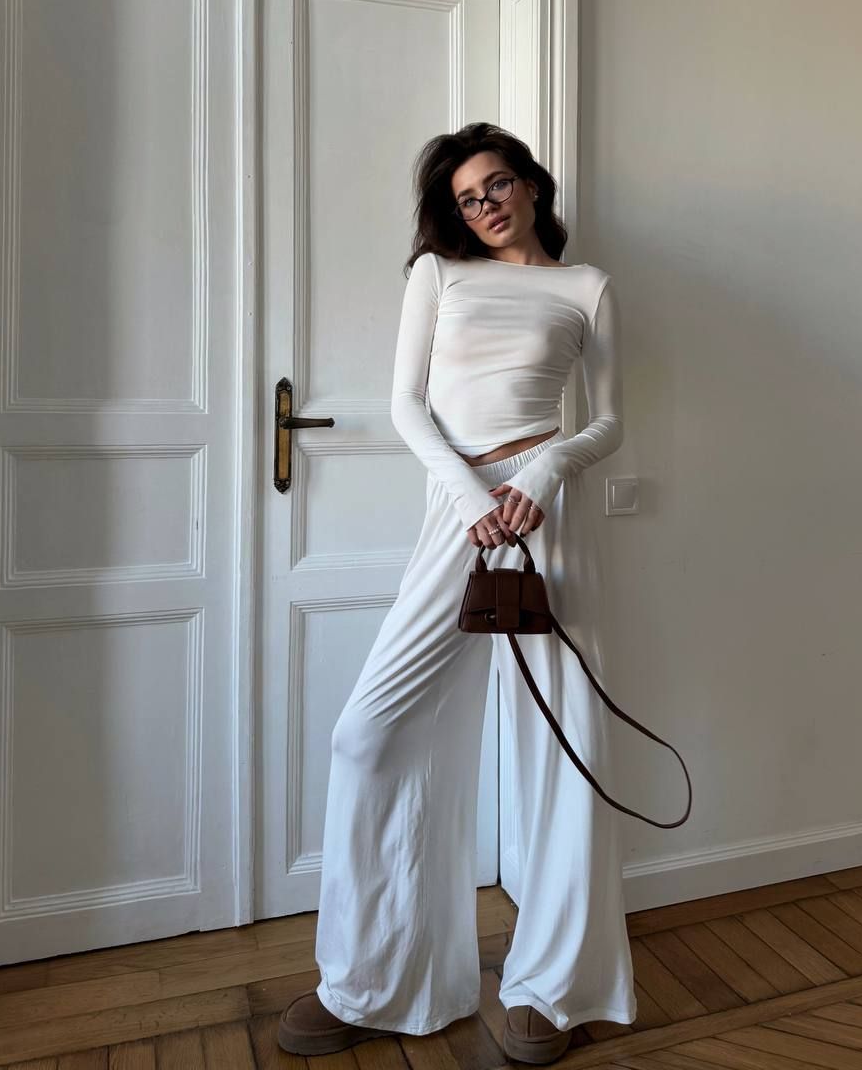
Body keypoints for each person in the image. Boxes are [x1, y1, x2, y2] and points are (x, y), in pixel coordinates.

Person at [278, 123, 637, 1063]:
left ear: (530, 184)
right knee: (372, 731)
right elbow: (408, 405)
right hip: (462, 513)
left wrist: (547, 471)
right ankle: (375, 979)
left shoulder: (587, 287)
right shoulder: (439, 276)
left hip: (548, 515)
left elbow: (609, 422)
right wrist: (475, 499)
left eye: (497, 185)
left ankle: (554, 989)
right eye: (467, 199)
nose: (485, 206)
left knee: (563, 746)